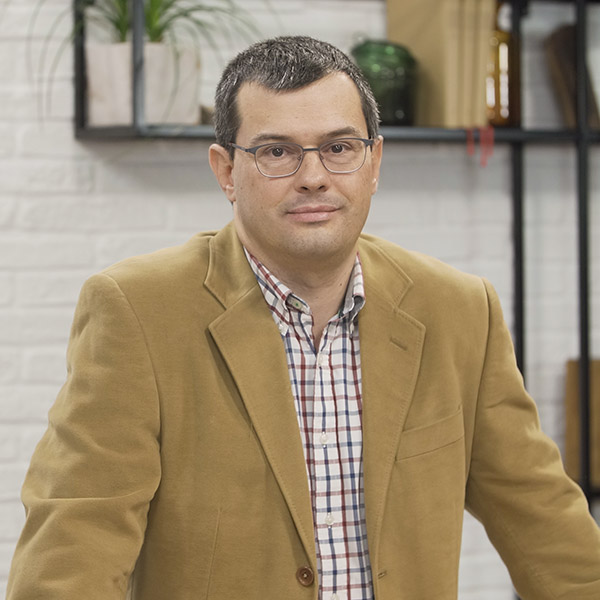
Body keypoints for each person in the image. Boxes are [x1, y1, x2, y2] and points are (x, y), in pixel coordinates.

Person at [6, 35, 600, 600]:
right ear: (225, 171)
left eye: (339, 148)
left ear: (373, 162)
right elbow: (72, 553)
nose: (313, 177)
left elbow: (546, 523)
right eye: (277, 152)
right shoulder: (137, 312)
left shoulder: (459, 310)